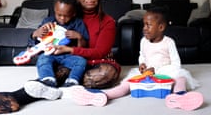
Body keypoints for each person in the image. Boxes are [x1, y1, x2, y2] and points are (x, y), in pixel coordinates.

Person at [0, 0, 121, 114]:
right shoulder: (67, 14)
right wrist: (35, 35)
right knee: (54, 70)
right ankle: (15, 97)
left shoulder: (107, 21)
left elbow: (100, 52)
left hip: (95, 61)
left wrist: (70, 48)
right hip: (67, 60)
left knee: (105, 73)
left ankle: (58, 88)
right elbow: (41, 40)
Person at [71, 6, 204, 111]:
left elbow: (176, 64)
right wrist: (142, 65)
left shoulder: (168, 42)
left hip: (165, 73)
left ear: (161, 27)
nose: (144, 28)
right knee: (128, 82)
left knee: (181, 77)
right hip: (147, 74)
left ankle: (180, 96)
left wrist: (159, 71)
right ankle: (103, 95)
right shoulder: (143, 41)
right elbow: (142, 56)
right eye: (144, 25)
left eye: (148, 25)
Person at [23, 0, 89, 100]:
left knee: (81, 61)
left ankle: (72, 83)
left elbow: (83, 49)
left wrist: (79, 37)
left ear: (73, 13)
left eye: (66, 15)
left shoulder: (78, 23)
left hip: (68, 56)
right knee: (43, 59)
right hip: (51, 54)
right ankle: (48, 81)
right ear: (54, 10)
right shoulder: (48, 21)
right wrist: (36, 33)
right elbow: (36, 42)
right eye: (59, 15)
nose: (62, 18)